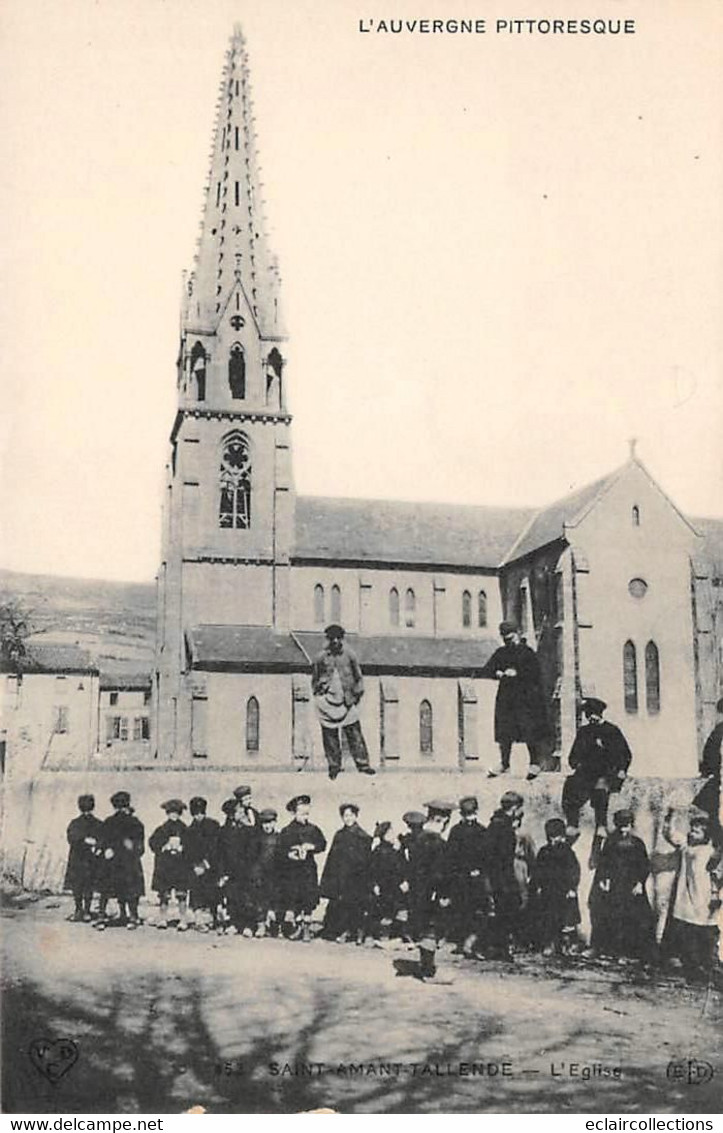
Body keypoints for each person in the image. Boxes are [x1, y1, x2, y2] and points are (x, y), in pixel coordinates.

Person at [480, 622, 549, 780]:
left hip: (526, 699)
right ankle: (504, 763)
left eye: (510, 638)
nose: (508, 642)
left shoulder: (527, 652)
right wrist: (497, 672)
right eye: (505, 639)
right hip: (507, 699)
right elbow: (487, 669)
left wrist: (517, 673)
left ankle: (535, 763)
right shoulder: (501, 652)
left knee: (529, 730)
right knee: (504, 731)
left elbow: (535, 673)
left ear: (517, 634)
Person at [562, 699, 632, 852]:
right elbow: (573, 755)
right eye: (589, 714)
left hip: (607, 772)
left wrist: (622, 770)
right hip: (587, 772)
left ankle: (601, 825)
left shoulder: (612, 730)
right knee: (570, 785)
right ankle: (572, 824)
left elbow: (625, 754)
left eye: (594, 714)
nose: (591, 717)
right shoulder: (584, 732)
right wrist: (576, 763)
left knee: (600, 788)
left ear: (600, 714)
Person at [660, 808, 723, 981]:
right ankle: (693, 967)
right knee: (689, 932)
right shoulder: (686, 849)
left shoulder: (711, 851)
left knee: (706, 930)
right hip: (686, 897)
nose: (692, 832)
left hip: (704, 897)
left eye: (697, 830)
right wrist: (671, 816)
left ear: (706, 834)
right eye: (692, 829)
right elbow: (670, 834)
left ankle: (707, 965)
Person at [588, 808, 655, 963]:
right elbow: (604, 863)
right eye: (621, 824)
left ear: (631, 824)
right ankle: (610, 950)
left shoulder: (637, 843)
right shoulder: (611, 841)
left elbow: (644, 865)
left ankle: (630, 953)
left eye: (627, 824)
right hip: (615, 886)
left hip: (632, 887)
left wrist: (640, 883)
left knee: (633, 918)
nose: (624, 827)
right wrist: (604, 879)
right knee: (611, 917)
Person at [311, 624, 375, 780]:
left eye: (338, 638)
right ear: (328, 639)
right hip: (328, 701)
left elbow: (358, 678)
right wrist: (319, 696)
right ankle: (334, 766)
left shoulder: (350, 655)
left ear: (342, 639)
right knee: (329, 735)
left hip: (347, 701)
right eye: (332, 638)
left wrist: (355, 696)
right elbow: (315, 678)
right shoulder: (321, 658)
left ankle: (363, 765)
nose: (335, 641)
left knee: (354, 732)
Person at [414, 799, 454, 981]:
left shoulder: (419, 838)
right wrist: (444, 894)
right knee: (431, 928)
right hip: (433, 892)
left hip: (419, 891)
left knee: (425, 928)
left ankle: (425, 966)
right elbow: (439, 873)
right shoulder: (438, 843)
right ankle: (428, 971)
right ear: (442, 820)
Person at [277, 795, 327, 941]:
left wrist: (311, 847)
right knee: (295, 898)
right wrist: (290, 854)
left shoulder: (313, 829)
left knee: (308, 899)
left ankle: (306, 928)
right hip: (293, 872)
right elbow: (280, 851)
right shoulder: (287, 831)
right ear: (294, 813)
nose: (305, 817)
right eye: (301, 814)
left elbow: (322, 844)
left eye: (307, 814)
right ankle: (297, 927)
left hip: (308, 870)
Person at [320, 803, 372, 943]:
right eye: (345, 816)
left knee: (355, 905)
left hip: (355, 878)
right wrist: (328, 879)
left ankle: (354, 932)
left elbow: (366, 861)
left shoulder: (363, 836)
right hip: (340, 877)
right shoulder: (339, 835)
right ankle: (338, 930)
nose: (348, 818)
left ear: (356, 816)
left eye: (350, 815)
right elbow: (332, 858)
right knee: (338, 904)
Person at [445, 796, 490, 956]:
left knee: (471, 910)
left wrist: (478, 869)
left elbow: (486, 855)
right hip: (465, 877)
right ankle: (464, 942)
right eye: (467, 813)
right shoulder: (470, 831)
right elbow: (451, 855)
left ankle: (468, 942)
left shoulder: (473, 831)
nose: (469, 816)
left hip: (469, 877)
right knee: (464, 909)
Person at [529, 818, 581, 955]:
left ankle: (566, 945)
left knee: (565, 919)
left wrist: (571, 888)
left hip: (563, 891)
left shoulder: (567, 852)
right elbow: (537, 871)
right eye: (550, 837)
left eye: (556, 837)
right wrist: (536, 886)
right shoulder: (544, 852)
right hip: (548, 891)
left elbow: (574, 871)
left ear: (562, 836)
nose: (553, 840)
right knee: (548, 918)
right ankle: (549, 944)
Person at [95, 791, 145, 931]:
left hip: (113, 862)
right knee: (130, 889)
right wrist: (132, 849)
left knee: (107, 889)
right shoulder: (136, 823)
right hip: (129, 862)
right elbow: (140, 847)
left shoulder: (109, 822)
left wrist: (106, 849)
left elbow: (102, 842)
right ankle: (132, 917)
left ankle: (102, 916)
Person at [485, 791, 525, 959]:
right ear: (515, 808)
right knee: (507, 911)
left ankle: (497, 947)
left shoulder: (493, 824)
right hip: (503, 877)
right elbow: (504, 857)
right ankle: (502, 948)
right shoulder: (506, 828)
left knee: (499, 912)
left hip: (494, 875)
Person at [217, 796, 260, 936]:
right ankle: (234, 923)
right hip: (231, 871)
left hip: (246, 870)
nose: (242, 813)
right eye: (238, 811)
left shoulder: (250, 830)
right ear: (231, 815)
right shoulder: (224, 831)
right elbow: (221, 853)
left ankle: (249, 925)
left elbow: (254, 850)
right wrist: (223, 873)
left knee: (248, 898)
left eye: (242, 810)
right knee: (232, 897)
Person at [149, 799, 191, 931]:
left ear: (180, 814)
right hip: (165, 866)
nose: (173, 815)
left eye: (176, 813)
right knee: (164, 894)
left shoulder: (185, 829)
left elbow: (192, 845)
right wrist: (163, 846)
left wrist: (183, 848)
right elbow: (152, 843)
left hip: (180, 866)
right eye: (171, 813)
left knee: (182, 894)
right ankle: (163, 918)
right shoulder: (161, 829)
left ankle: (183, 919)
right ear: (167, 813)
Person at [64, 794, 103, 922]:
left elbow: (71, 838)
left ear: (79, 806)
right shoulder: (98, 823)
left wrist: (84, 840)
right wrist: (93, 843)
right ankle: (86, 911)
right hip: (91, 859)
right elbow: (103, 839)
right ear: (93, 806)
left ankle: (79, 910)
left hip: (78, 859)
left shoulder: (75, 823)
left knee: (78, 886)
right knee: (88, 886)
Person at [184, 796, 221, 931]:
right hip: (196, 869)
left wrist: (206, 864)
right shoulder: (189, 830)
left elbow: (216, 847)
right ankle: (199, 921)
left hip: (211, 866)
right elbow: (188, 851)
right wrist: (195, 866)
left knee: (212, 893)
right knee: (197, 893)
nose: (198, 816)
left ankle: (213, 919)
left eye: (201, 813)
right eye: (195, 814)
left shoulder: (213, 826)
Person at [367, 822, 406, 943]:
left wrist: (404, 881)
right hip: (384, 887)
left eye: (392, 831)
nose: (392, 834)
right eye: (389, 833)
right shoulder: (379, 851)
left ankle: (396, 935)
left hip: (396, 886)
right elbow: (372, 870)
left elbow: (404, 867)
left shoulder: (397, 849)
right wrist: (374, 885)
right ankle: (381, 935)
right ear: (383, 835)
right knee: (383, 911)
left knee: (399, 910)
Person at [692, 698, 723, 844]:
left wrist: (708, 770)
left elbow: (709, 758)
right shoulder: (719, 731)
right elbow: (710, 754)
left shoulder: (719, 731)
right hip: (720, 783)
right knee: (715, 818)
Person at [251, 808, 282, 937]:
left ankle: (275, 925)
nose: (267, 826)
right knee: (260, 899)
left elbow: (282, 857)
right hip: (261, 874)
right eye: (265, 823)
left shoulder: (279, 838)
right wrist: (256, 873)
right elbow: (253, 857)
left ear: (275, 822)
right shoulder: (258, 839)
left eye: (270, 823)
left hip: (275, 874)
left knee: (276, 899)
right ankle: (261, 925)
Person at [399, 810, 426, 940]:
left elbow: (402, 857)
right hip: (421, 876)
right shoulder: (424, 838)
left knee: (414, 904)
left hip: (413, 875)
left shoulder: (409, 839)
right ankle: (418, 933)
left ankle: (413, 932)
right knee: (419, 904)